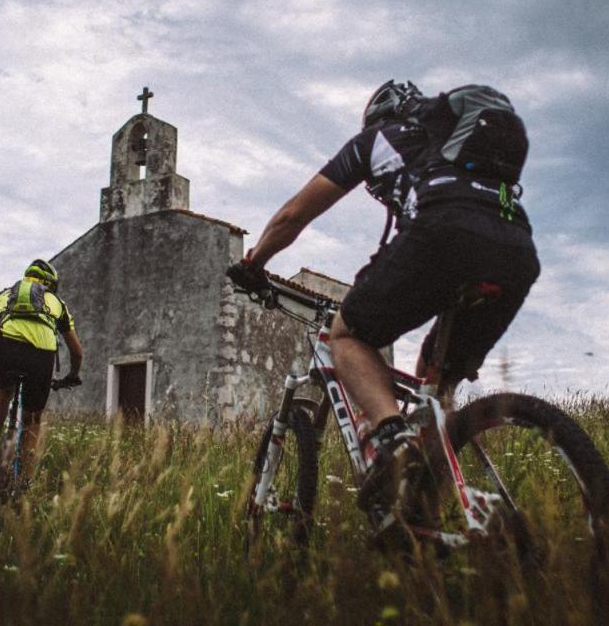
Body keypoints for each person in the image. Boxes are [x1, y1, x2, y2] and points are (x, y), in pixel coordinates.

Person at [228, 80, 540, 538]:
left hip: (444, 230)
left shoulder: (378, 139)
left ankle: (392, 440)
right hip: (515, 249)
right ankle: (422, 508)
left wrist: (255, 262)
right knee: (436, 385)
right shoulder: (446, 146)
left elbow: (296, 214)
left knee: (347, 335)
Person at [0, 259, 84, 489]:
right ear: (50, 284)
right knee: (32, 419)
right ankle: (25, 481)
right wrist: (72, 375)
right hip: (42, 356)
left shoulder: (4, 296)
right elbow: (77, 352)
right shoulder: (57, 303)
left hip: (6, 350)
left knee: (4, 388)